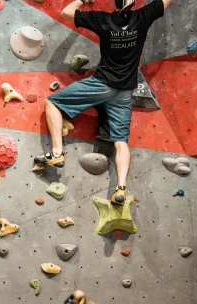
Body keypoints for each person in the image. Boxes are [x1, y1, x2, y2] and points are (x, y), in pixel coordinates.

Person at [34, 0, 173, 205]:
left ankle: (56, 153)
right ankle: (121, 189)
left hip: (102, 84)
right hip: (125, 90)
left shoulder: (102, 20)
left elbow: (66, 12)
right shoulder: (142, 17)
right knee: (121, 142)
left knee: (52, 103)